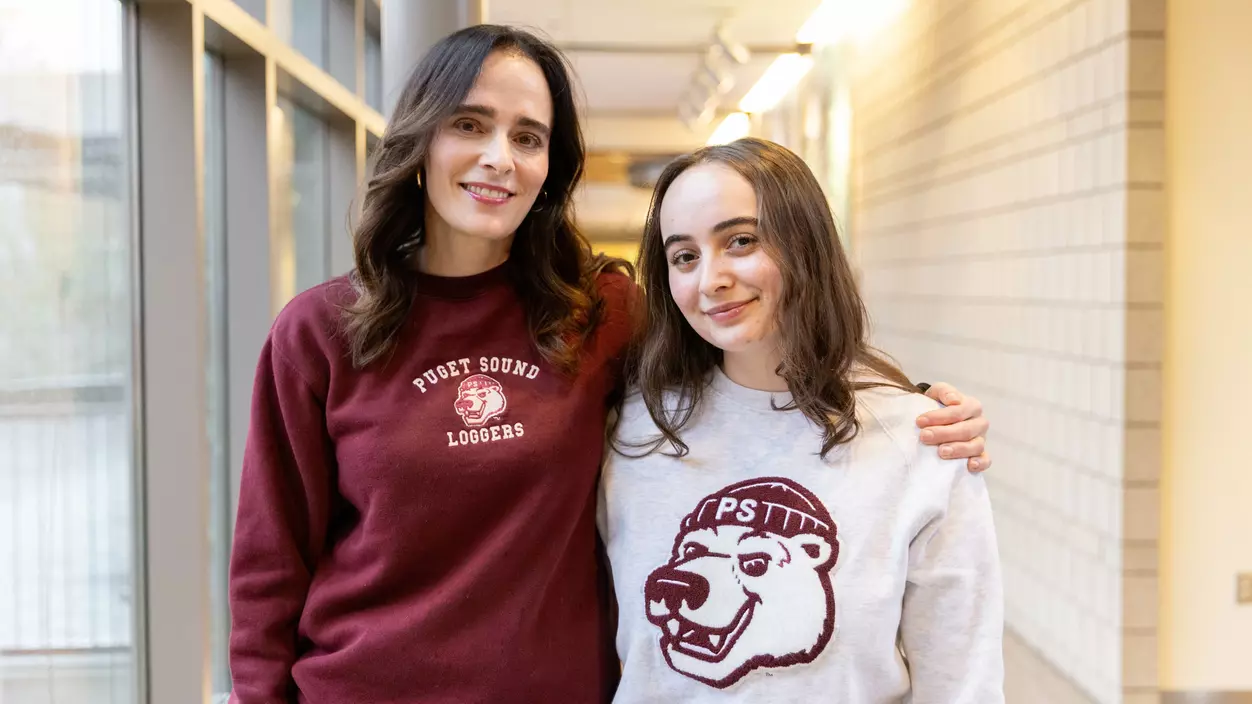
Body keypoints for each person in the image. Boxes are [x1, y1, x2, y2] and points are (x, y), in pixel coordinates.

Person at [227, 25, 993, 703]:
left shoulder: (602, 314)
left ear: (550, 166)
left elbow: (753, 337)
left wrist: (914, 406)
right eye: (470, 124)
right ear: (421, 138)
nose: (499, 158)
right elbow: (269, 565)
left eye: (528, 137)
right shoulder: (322, 332)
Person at [600, 138, 1003, 702]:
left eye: (740, 241)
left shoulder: (922, 441)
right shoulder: (627, 435)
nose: (710, 279)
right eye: (684, 256)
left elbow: (962, 681)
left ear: (806, 245)